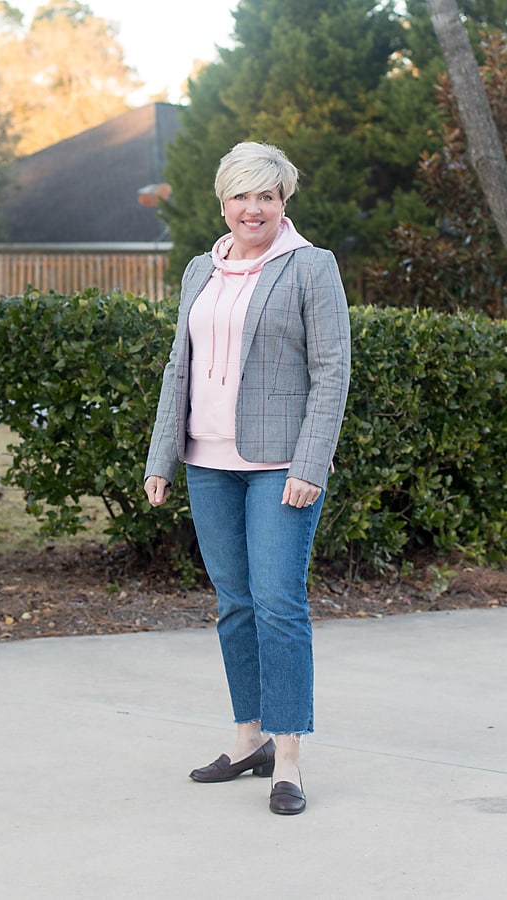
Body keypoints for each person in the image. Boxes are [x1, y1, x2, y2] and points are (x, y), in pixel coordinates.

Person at [144, 141, 350, 816]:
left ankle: (286, 756)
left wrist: (310, 464)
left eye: (266, 196)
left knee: (278, 603)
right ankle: (248, 738)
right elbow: (180, 364)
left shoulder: (310, 267)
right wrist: (161, 456)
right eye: (240, 195)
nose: (252, 208)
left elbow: (331, 372)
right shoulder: (202, 269)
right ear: (223, 201)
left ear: (283, 201)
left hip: (279, 467)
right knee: (234, 603)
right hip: (208, 462)